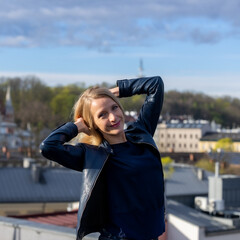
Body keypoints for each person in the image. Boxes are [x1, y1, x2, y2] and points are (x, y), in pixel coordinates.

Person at [40, 76, 165, 240]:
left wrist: (112, 92)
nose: (113, 117)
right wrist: (77, 126)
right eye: (102, 115)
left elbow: (155, 84)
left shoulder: (141, 133)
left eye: (114, 108)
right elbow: (48, 147)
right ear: (91, 123)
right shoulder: (93, 155)